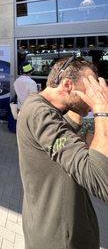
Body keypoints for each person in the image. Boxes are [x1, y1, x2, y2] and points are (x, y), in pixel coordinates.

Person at [17, 56, 108, 249]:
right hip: (59, 239)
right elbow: (101, 179)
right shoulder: (39, 113)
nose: (93, 95)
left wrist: (80, 107)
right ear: (67, 85)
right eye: (89, 89)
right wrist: (101, 110)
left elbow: (61, 134)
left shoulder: (44, 107)